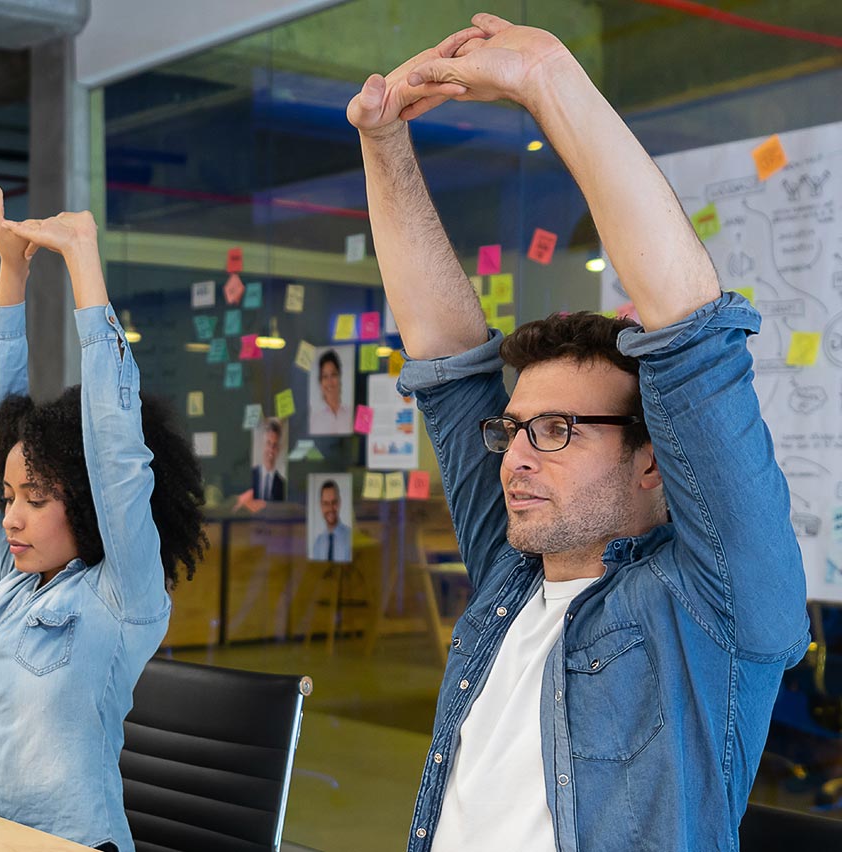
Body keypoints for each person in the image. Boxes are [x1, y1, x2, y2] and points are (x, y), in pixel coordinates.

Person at [346, 14, 808, 851]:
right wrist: (384, 144)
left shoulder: (714, 604)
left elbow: (692, 333)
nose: (516, 455)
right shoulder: (512, 575)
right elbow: (447, 359)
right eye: (516, 427)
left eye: (557, 429)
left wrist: (549, 80)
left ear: (654, 466)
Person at [0, 187, 207, 852]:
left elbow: (116, 453)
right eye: (9, 497)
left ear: (87, 503)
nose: (12, 516)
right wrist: (12, 272)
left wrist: (82, 261)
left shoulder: (120, 596)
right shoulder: (16, 580)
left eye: (36, 499)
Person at [308, 348, 352, 435]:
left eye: (333, 375)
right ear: (320, 382)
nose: (330, 382)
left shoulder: (351, 414)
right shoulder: (312, 419)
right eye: (325, 376)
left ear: (340, 377)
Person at [310, 479, 351, 562]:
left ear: (339, 503)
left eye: (334, 502)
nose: (330, 508)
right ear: (321, 506)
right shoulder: (318, 543)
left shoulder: (352, 539)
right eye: (326, 503)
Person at [249, 419, 287, 502]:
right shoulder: (249, 476)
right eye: (268, 443)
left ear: (278, 449)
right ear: (263, 445)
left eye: (274, 445)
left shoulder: (282, 485)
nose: (271, 449)